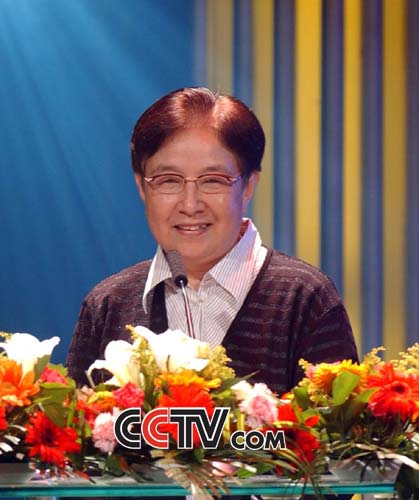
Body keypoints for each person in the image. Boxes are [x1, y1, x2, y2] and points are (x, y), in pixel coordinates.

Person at [67, 87, 358, 392]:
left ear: (249, 185)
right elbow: (77, 422)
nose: (190, 205)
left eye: (213, 181)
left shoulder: (305, 299)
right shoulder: (107, 306)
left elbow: (337, 421)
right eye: (168, 181)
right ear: (142, 186)